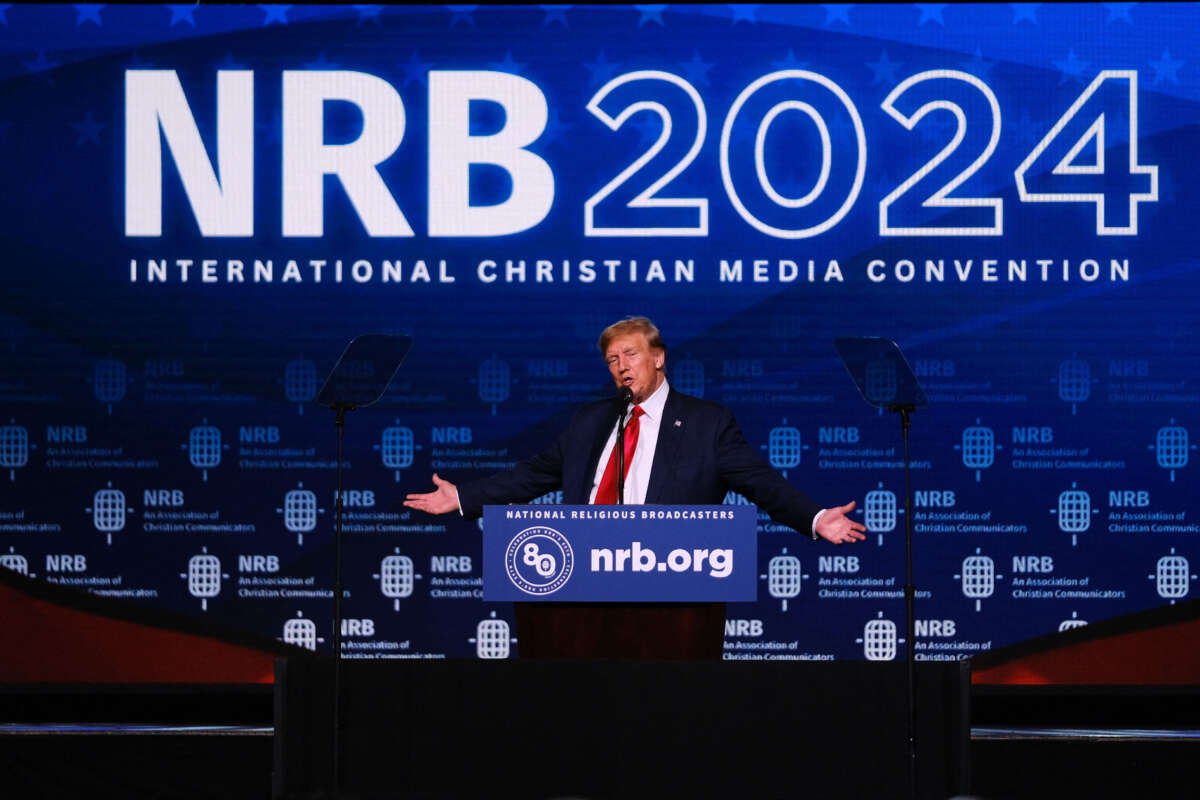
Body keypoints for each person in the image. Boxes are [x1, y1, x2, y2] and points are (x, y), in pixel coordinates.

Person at [405, 316, 865, 545]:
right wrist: (463, 498)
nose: (621, 367)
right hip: (584, 574)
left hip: (671, 580)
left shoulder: (707, 423)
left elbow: (763, 485)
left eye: (631, 355)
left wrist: (814, 517)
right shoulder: (591, 420)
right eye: (612, 360)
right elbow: (531, 476)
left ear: (659, 357)